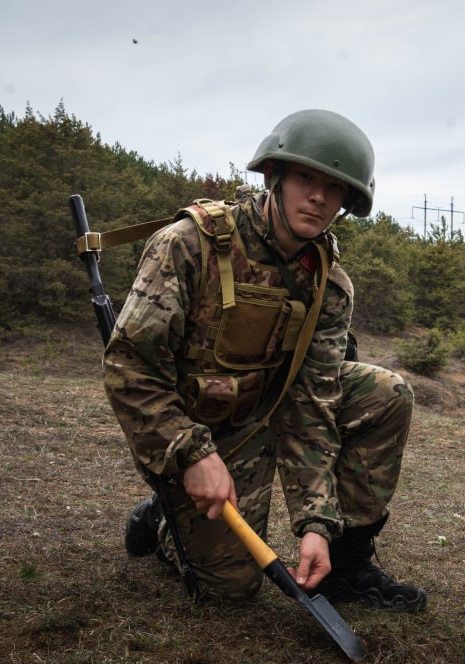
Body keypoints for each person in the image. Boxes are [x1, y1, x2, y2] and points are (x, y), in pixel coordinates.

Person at [106, 109, 426, 612]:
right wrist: (190, 454)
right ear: (273, 176)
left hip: (269, 413)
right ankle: (163, 516)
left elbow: (312, 402)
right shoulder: (189, 245)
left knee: (385, 393)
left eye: (334, 187)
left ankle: (345, 562)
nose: (318, 196)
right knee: (231, 591)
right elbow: (130, 367)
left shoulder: (329, 285)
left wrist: (315, 525)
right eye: (306, 178)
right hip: (197, 430)